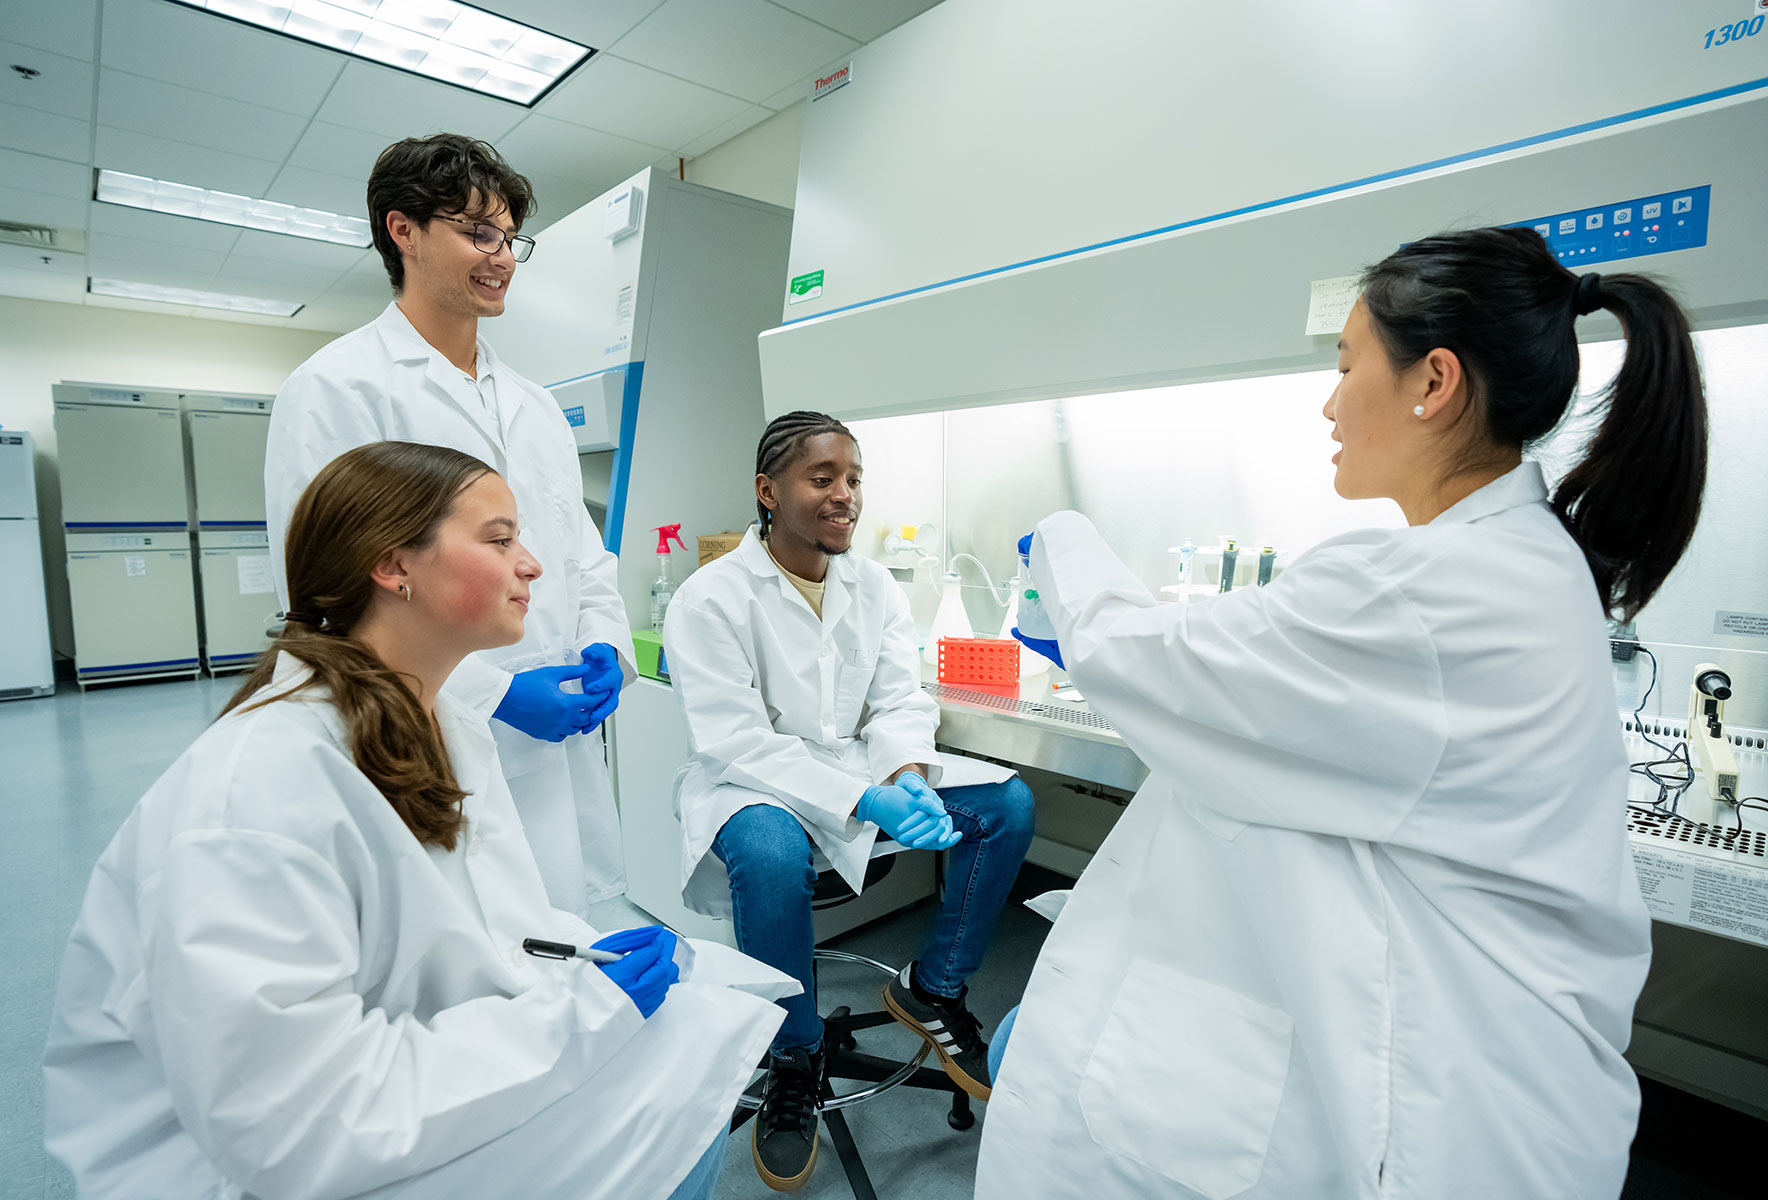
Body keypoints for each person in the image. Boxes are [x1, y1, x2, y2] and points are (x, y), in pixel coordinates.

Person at [983, 228, 1707, 1199]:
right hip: (1482, 1064)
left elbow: (1151, 662)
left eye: (1346, 365)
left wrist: (1063, 543)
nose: (1330, 404)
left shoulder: (1430, 592)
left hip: (1443, 1107)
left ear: (1434, 381)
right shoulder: (1519, 563)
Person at [44, 441, 796, 1200]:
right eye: (499, 540)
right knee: (675, 1086)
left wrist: (584, 962)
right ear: (392, 565)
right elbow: (290, 1122)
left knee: (700, 1025)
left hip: (388, 1080)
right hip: (268, 1163)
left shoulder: (439, 722)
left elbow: (487, 929)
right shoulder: (261, 788)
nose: (532, 565)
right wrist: (579, 1017)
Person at [663, 411, 1036, 1191]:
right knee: (772, 853)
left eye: (855, 479)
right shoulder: (708, 598)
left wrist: (905, 774)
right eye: (823, 478)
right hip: (750, 783)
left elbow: (898, 698)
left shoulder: (873, 585)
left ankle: (933, 988)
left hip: (859, 768)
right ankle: (793, 1056)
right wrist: (865, 798)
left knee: (1008, 803)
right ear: (769, 491)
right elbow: (734, 741)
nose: (846, 496)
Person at [265, 133, 629, 915]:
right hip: (419, 731)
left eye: (510, 239)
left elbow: (578, 551)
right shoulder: (337, 389)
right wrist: (493, 694)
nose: (502, 258)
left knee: (552, 930)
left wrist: (606, 644)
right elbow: (326, 598)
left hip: (554, 741)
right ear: (404, 231)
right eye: (478, 234)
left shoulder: (535, 405)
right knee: (450, 938)